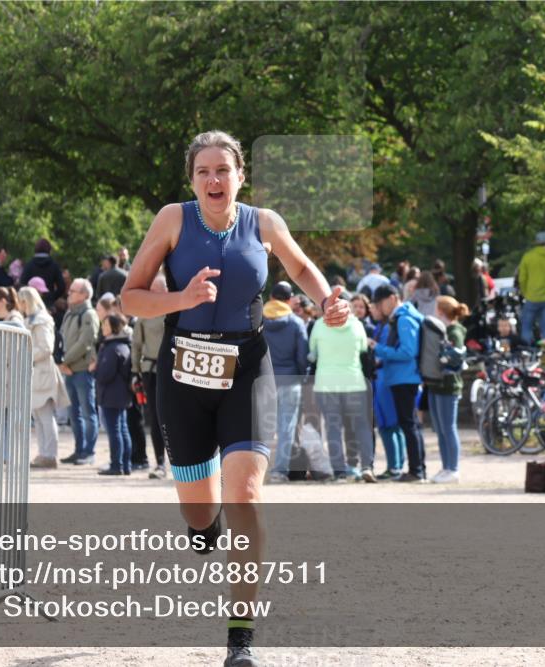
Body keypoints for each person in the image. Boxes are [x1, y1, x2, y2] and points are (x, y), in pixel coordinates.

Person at [119, 130, 350, 667]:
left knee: (246, 494)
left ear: (240, 175)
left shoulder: (264, 223)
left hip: (246, 369)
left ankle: (240, 637)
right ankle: (207, 526)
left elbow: (300, 268)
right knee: (200, 514)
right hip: (182, 377)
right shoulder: (172, 220)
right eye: (203, 171)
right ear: (192, 179)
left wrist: (327, 302)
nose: (214, 179)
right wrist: (183, 298)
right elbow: (132, 297)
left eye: (223, 169)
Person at [309, 293, 374, 482]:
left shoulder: (320, 325)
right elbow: (363, 349)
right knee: (362, 426)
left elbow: (313, 351)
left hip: (326, 383)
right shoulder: (357, 325)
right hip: (354, 381)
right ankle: (366, 466)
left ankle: (339, 471)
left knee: (333, 427)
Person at [369, 284, 426, 482]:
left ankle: (416, 470)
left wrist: (379, 349)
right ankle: (417, 469)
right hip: (404, 377)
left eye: (380, 303)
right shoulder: (403, 317)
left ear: (393, 298)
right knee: (410, 424)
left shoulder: (403, 319)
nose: (380, 307)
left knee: (409, 424)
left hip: (404, 377)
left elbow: (408, 351)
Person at [262, 281, 309, 483]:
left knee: (262, 428)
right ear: (289, 300)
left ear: (271, 298)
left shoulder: (258, 320)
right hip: (290, 380)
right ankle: (279, 471)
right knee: (286, 428)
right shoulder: (296, 323)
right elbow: (302, 356)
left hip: (264, 381)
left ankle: (257, 471)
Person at [18, 286, 69, 469]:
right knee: (38, 417)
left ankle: (50, 454)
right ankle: (44, 453)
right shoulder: (32, 319)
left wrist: (23, 355)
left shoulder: (41, 320)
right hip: (35, 371)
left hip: (42, 371)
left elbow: (46, 347)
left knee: (45, 415)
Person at [426, 296, 469, 484]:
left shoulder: (454, 332)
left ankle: (453, 468)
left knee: (449, 428)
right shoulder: (443, 330)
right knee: (441, 429)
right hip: (437, 384)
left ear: (441, 311)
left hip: (449, 386)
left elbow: (455, 356)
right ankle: (445, 467)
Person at [58, 278, 100, 466]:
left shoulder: (89, 314)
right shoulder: (69, 314)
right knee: (73, 413)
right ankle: (78, 450)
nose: (69, 293)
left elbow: (85, 343)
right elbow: (61, 338)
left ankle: (88, 452)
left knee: (87, 411)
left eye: (73, 291)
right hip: (68, 371)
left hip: (82, 371)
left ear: (84, 294)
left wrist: (64, 360)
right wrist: (60, 361)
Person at [132, 274, 169, 479]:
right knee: (155, 417)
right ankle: (160, 463)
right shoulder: (144, 315)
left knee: (179, 416)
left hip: (174, 369)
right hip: (151, 370)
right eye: (151, 289)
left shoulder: (177, 309)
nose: (153, 293)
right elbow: (136, 344)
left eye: (157, 289)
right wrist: (135, 372)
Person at [370, 300, 405, 478]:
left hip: (384, 376)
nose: (373, 310)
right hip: (381, 378)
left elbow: (386, 351)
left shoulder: (386, 327)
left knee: (389, 423)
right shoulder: (381, 326)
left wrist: (373, 347)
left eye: (374, 307)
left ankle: (395, 467)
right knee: (388, 424)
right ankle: (395, 465)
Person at [96, 314, 134, 476]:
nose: (103, 328)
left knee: (115, 430)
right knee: (123, 429)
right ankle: (126, 465)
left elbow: (105, 374)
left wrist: (95, 371)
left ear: (114, 327)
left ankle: (116, 465)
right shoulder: (123, 345)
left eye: (105, 325)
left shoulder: (112, 348)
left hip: (111, 395)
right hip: (121, 394)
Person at [517, 231, 545, 345]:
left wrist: (525, 292)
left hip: (532, 297)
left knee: (526, 327)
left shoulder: (528, 257)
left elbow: (522, 278)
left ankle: (528, 352)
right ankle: (544, 354)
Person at [20, 238, 66, 308]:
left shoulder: (29, 265)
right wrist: (52, 296)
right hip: (48, 303)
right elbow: (62, 286)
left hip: (32, 302)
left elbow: (22, 284)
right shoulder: (54, 265)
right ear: (49, 250)